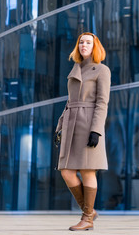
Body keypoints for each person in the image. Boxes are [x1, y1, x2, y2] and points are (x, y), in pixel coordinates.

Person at [55, 32, 111, 231]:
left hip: (88, 124)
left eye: (88, 42)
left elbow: (102, 103)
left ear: (95, 46)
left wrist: (96, 130)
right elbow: (69, 101)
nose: (83, 45)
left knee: (87, 171)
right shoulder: (75, 68)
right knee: (67, 172)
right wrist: (60, 125)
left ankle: (87, 218)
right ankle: (90, 212)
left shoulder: (102, 70)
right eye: (81, 42)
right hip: (71, 124)